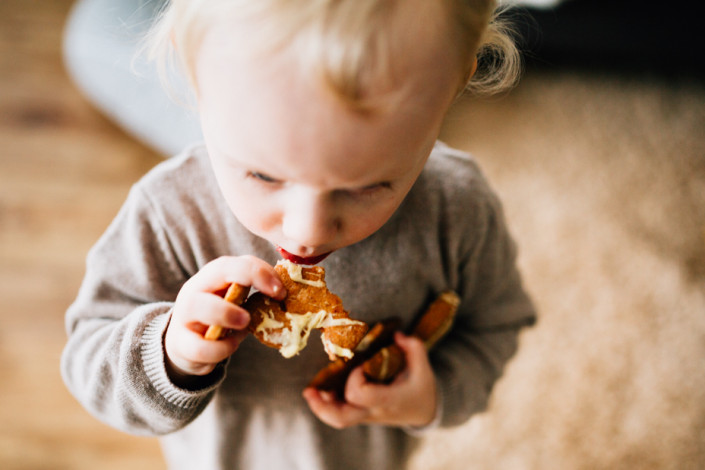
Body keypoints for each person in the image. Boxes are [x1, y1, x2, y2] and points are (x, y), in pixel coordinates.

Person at [61, 1, 536, 469]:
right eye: (263, 176)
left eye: (367, 185)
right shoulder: (170, 214)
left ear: (453, 86)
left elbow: (496, 326)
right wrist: (171, 353)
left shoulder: (458, 210)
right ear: (193, 72)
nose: (306, 231)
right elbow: (88, 360)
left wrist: (435, 393)